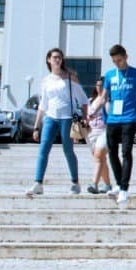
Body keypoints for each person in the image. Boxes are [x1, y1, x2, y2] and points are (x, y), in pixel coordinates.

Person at [25, 48, 88, 196]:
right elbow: (43, 105)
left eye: (60, 57)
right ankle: (38, 183)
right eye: (54, 57)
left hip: (67, 117)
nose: (57, 60)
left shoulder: (71, 78)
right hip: (50, 118)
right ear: (48, 60)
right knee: (43, 149)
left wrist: (85, 118)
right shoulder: (46, 80)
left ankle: (75, 182)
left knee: (68, 150)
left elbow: (83, 99)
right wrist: (36, 126)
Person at [100, 44, 136, 209]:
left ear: (126, 57)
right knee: (112, 152)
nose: (117, 64)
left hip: (129, 118)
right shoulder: (109, 75)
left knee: (126, 152)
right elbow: (103, 97)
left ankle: (124, 188)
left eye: (119, 60)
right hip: (112, 119)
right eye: (114, 61)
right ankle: (120, 183)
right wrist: (91, 111)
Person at [85, 79, 112, 195]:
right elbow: (86, 115)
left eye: (102, 85)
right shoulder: (90, 101)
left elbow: (109, 113)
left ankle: (94, 184)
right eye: (98, 85)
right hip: (90, 133)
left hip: (103, 131)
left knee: (98, 156)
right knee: (101, 159)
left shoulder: (108, 101)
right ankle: (107, 185)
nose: (99, 87)